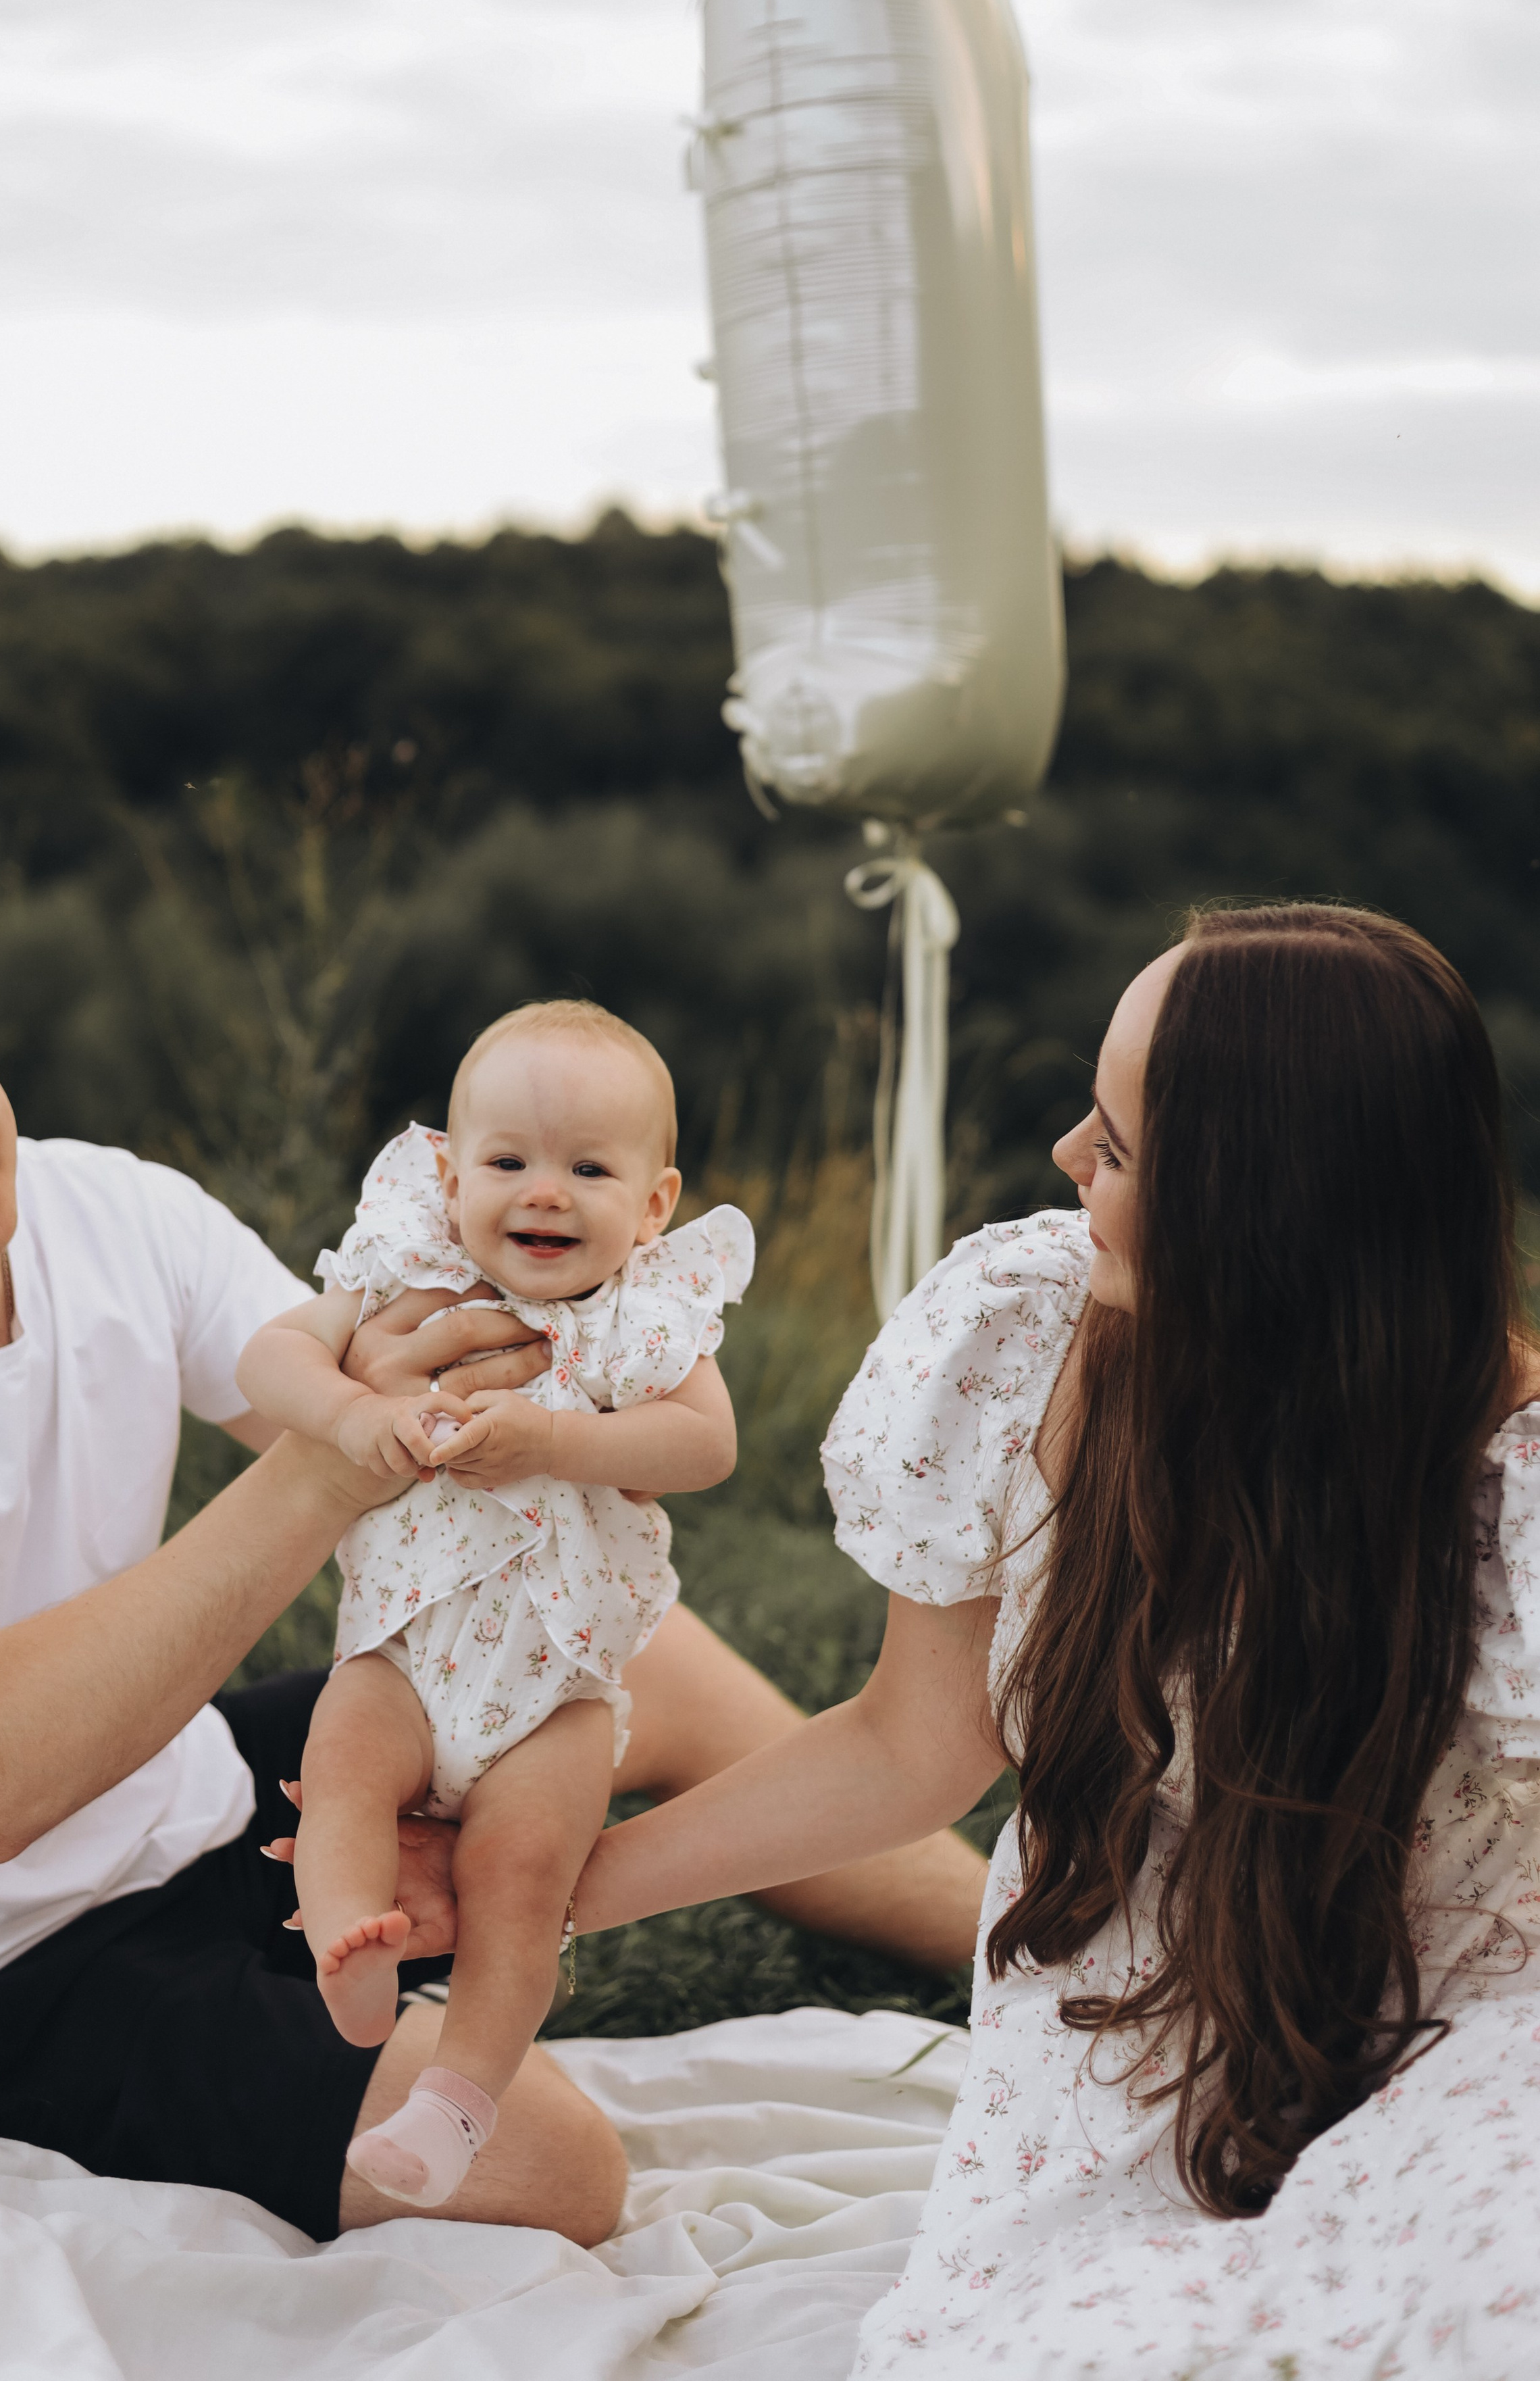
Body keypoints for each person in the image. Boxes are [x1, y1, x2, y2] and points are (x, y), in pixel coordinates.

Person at [0, 868, 983, 2254]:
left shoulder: (108, 1209)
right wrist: (340, 1451)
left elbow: (380, 1385)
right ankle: (412, 1945)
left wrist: (519, 1398)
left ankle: (1021, 1937)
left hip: (188, 1797)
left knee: (607, 1657)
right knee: (550, 2166)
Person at [566, 903, 1540, 2369]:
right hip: (1126, 2063)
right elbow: (907, 1748)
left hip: (1461, 2043)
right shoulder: (1032, 1343)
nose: (1066, 1156)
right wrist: (543, 1894)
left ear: (1261, 1210)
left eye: (1120, 1146)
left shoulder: (1513, 1499)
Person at [236, 1005, 751, 2206]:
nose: (547, 1192)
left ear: (655, 1204)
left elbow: (707, 1444)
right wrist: (355, 1414)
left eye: (590, 1170)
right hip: (404, 1655)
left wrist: (561, 1441)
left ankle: (455, 2104)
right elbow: (268, 1358)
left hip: (555, 1689)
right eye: (510, 1160)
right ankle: (349, 1945)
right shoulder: (404, 1281)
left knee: (524, 1882)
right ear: (452, 1178)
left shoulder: (641, 1318)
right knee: (344, 1772)